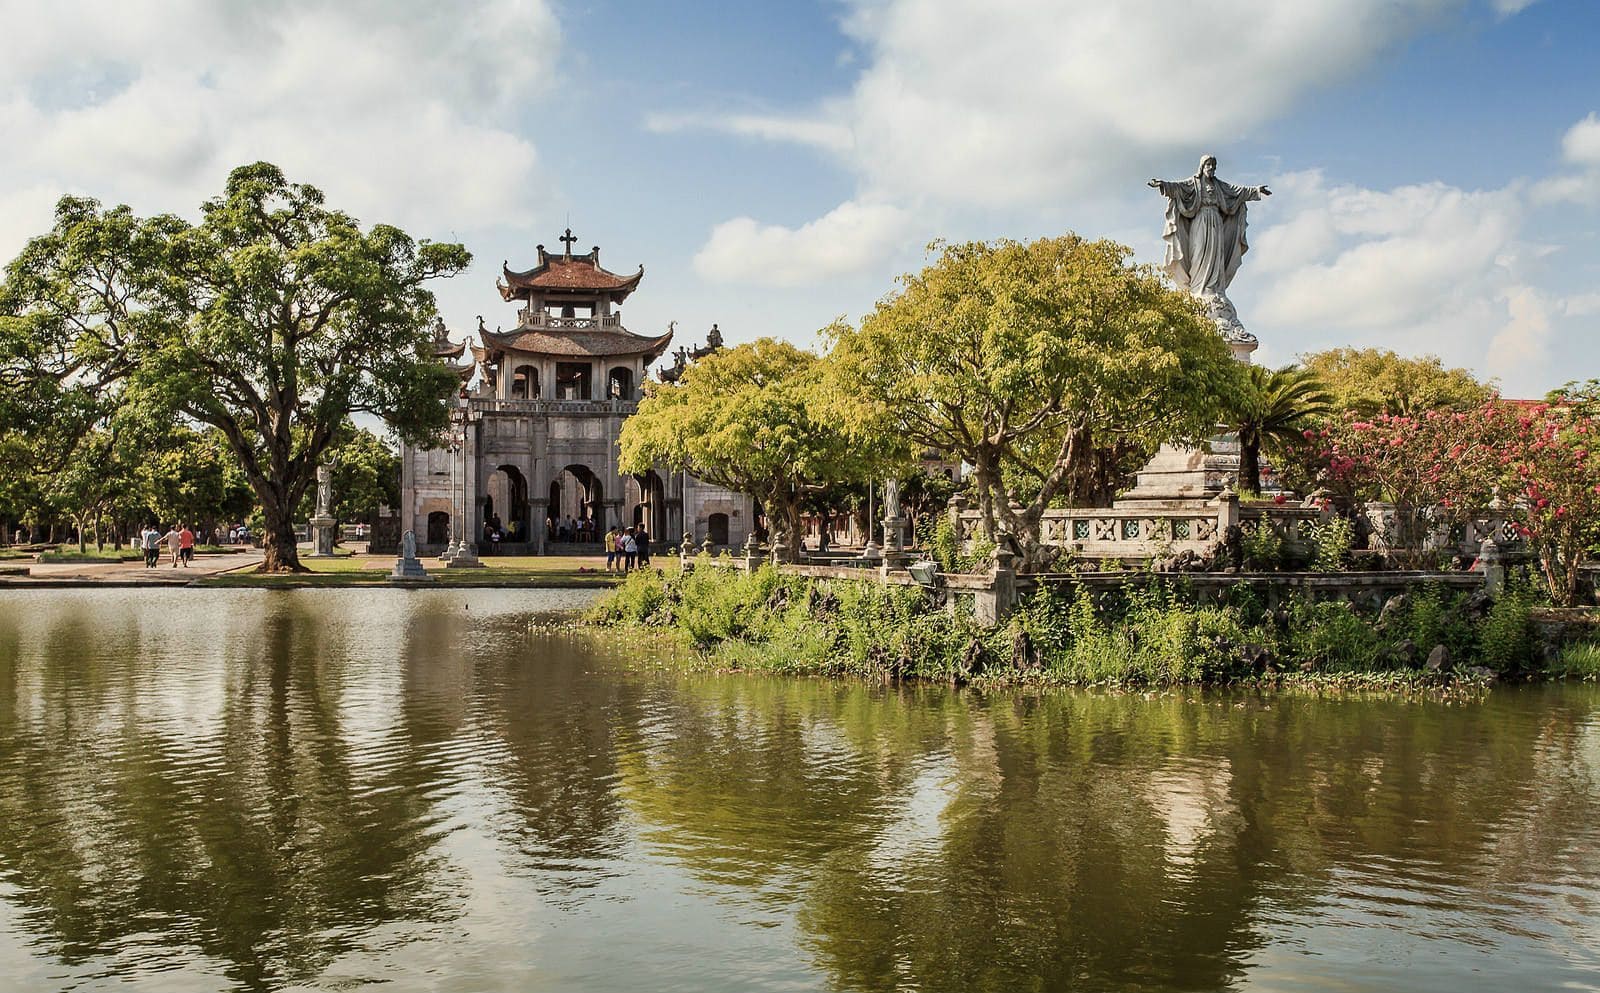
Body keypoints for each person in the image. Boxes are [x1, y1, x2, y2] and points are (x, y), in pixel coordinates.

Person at [1148, 155, 1270, 330]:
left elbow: (1237, 191)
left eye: (1213, 165)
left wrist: (1256, 190)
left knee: (1215, 256)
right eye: (1208, 165)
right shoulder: (1194, 183)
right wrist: (1164, 185)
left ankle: (1215, 289)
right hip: (1200, 222)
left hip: (1216, 223)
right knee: (1199, 255)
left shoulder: (1219, 186)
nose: (1211, 168)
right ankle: (1199, 289)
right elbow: (1179, 187)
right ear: (1202, 166)